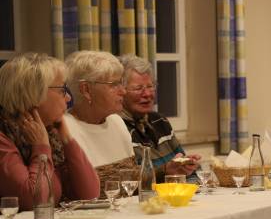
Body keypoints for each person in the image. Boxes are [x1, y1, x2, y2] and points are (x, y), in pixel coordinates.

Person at [0, 53, 99, 210]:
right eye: (62, 89)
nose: (67, 98)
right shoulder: (3, 137)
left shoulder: (51, 133)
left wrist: (67, 139)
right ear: (33, 93)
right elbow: (35, 202)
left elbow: (89, 195)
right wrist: (40, 149)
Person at [118, 55, 200, 181]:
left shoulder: (159, 121)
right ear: (121, 91)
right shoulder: (117, 128)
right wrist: (166, 170)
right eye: (138, 88)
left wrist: (189, 166)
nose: (147, 94)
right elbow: (128, 181)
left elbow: (187, 172)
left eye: (150, 86)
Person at [64, 51, 137, 183]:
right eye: (114, 85)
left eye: (121, 83)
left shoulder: (117, 121)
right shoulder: (64, 128)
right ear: (86, 90)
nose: (123, 91)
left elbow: (132, 182)